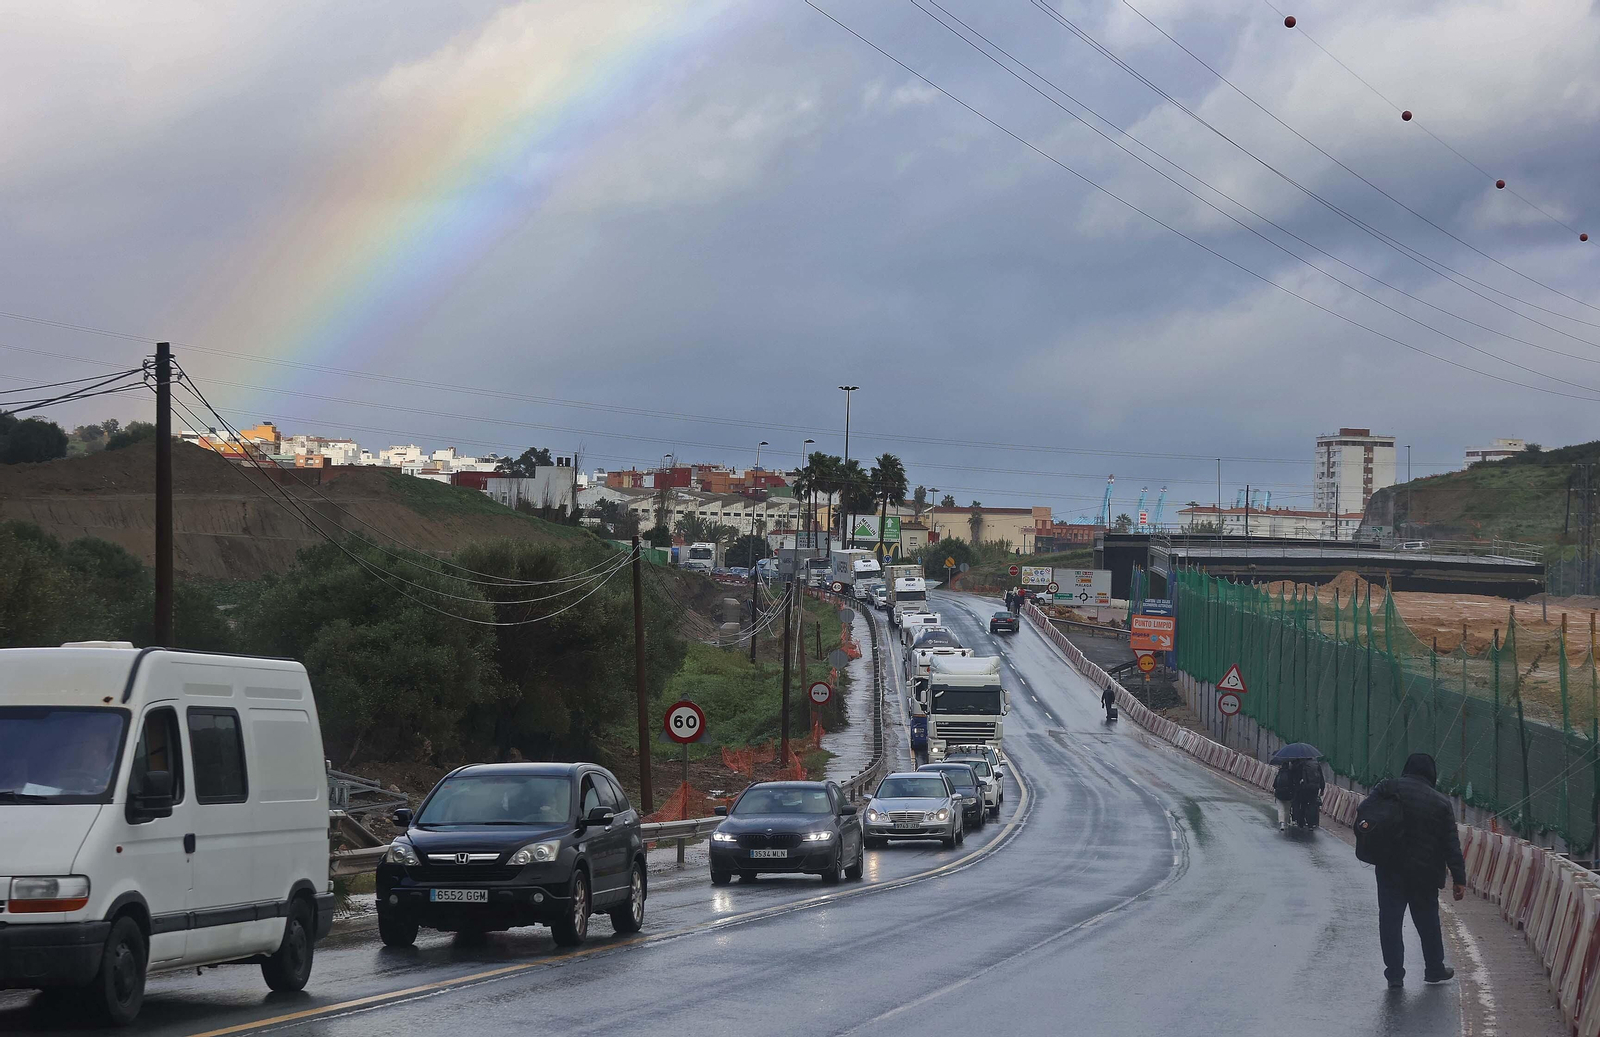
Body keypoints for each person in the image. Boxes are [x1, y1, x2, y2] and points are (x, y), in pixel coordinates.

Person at [1368, 752, 1466, 988]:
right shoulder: (1440, 802)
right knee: (1428, 922)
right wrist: (1459, 879)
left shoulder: (1388, 789)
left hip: (1389, 870)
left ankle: (1394, 974)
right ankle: (1434, 968)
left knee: (1390, 922)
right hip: (1425, 873)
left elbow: (1366, 815)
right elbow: (1451, 844)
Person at [1293, 761, 1325, 829]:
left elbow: (1297, 778)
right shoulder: (1316, 764)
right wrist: (1322, 788)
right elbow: (1321, 777)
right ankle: (1311, 824)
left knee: (1303, 804)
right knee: (1312, 805)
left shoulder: (1301, 764)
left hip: (1304, 788)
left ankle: (1301, 823)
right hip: (1314, 788)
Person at [1272, 760, 1297, 832]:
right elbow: (1293, 785)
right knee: (1287, 809)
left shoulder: (1279, 773)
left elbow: (1274, 785)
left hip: (1279, 794)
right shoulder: (1291, 774)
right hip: (1288, 794)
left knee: (1280, 809)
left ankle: (1282, 823)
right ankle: (1286, 823)